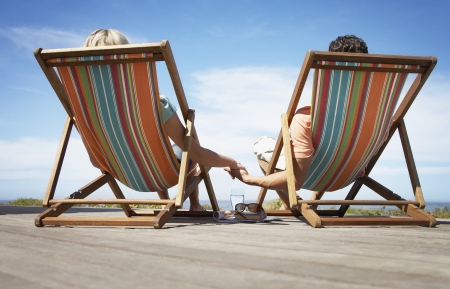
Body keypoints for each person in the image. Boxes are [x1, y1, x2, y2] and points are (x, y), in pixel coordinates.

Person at [84, 29, 242, 211]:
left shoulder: (83, 106)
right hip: (160, 173)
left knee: (169, 149)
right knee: (187, 147)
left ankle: (164, 201)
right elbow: (196, 154)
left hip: (123, 174)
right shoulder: (153, 102)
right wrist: (232, 162)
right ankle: (195, 205)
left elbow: (96, 161)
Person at [225, 35, 368, 209]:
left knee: (262, 144)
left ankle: (291, 205)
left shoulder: (306, 118)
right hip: (346, 176)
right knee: (320, 150)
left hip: (311, 175)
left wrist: (248, 179)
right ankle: (308, 202)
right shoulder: (380, 120)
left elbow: (296, 180)